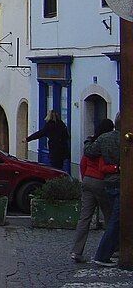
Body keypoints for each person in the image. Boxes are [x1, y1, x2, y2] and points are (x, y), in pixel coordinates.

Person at [70, 118, 116, 263]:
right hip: (101, 181)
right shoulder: (105, 144)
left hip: (88, 180)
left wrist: (85, 179)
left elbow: (83, 163)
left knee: (84, 218)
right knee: (110, 216)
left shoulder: (91, 144)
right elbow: (104, 166)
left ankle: (76, 251)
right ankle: (113, 249)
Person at [85, 112, 121, 267]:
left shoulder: (104, 138)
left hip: (109, 182)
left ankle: (114, 250)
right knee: (115, 220)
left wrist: (87, 140)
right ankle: (103, 254)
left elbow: (89, 152)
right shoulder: (125, 139)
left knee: (114, 218)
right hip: (121, 182)